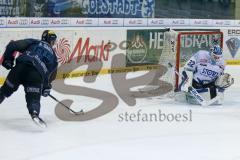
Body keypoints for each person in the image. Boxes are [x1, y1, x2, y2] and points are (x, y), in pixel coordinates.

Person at [0, 30, 58, 127]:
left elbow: (12, 45)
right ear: (51, 41)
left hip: (19, 69)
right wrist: (45, 88)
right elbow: (50, 77)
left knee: (4, 91)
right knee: (33, 99)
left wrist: (8, 60)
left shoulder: (34, 42)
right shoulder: (54, 57)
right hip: (35, 75)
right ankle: (34, 113)